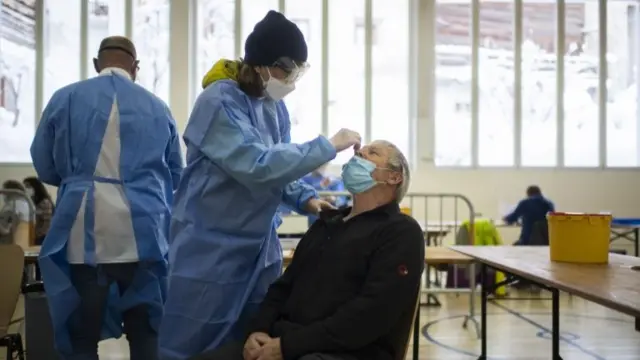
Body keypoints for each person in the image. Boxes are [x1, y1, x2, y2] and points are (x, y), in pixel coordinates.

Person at [158, 11, 361, 360]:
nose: (291, 81)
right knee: (191, 345)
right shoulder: (218, 103)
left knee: (252, 342)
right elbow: (258, 165)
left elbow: (282, 169)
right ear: (263, 63)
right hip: (209, 250)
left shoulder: (273, 108)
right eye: (289, 70)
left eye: (299, 72)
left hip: (258, 251)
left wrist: (308, 201)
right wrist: (328, 146)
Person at [192, 140, 424, 360]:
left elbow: (370, 314)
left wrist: (287, 346)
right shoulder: (328, 223)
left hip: (346, 351)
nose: (359, 153)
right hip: (283, 342)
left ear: (394, 177)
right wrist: (258, 331)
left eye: (372, 153)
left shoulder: (401, 232)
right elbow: (283, 287)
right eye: (361, 150)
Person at [30, 36, 183, 360]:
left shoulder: (65, 98)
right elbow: (176, 175)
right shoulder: (158, 108)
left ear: (97, 64)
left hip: (84, 232)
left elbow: (43, 162)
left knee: (83, 338)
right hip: (144, 235)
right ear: (136, 68)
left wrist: (76, 183)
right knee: (145, 334)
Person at [23, 177, 54, 245]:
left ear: (35, 187)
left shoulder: (44, 202)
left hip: (42, 236)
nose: (25, 188)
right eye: (24, 186)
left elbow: (45, 221)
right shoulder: (32, 201)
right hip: (36, 235)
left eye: (28, 186)